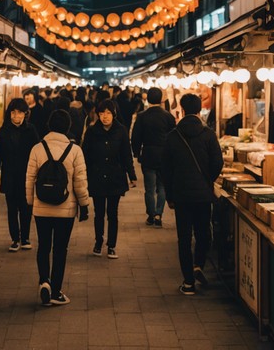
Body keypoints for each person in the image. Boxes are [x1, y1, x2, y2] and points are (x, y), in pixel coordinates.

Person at [25, 109, 90, 307]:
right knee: (60, 249)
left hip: (42, 207)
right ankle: (56, 291)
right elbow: (80, 181)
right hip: (66, 207)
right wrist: (84, 205)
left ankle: (44, 280)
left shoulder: (37, 148)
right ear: (68, 128)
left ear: (49, 126)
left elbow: (29, 179)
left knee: (44, 245)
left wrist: (31, 202)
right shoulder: (75, 150)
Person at [161, 92, 223, 295]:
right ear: (198, 110)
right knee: (203, 232)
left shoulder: (172, 136)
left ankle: (188, 282)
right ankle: (199, 264)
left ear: (182, 109)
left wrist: (169, 195)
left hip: (181, 195)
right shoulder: (208, 134)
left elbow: (166, 170)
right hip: (203, 195)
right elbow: (217, 163)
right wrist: (208, 180)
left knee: (184, 237)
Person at [81, 98, 136, 259]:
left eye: (108, 113)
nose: (105, 116)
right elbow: (85, 154)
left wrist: (132, 175)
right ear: (97, 114)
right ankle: (98, 242)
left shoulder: (121, 131)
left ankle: (111, 245)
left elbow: (126, 154)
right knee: (98, 213)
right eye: (101, 113)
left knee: (113, 213)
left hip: (115, 177)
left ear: (114, 114)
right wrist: (83, 175)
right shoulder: (91, 131)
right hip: (96, 176)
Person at [0, 98, 39, 252]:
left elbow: (37, 154)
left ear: (26, 114)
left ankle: (25, 237)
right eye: (13, 112)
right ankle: (15, 239)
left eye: (19, 112)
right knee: (12, 209)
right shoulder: (3, 131)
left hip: (27, 176)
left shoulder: (31, 130)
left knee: (26, 208)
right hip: (9, 175)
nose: (16, 116)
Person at [131, 86, 176, 227]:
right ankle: (158, 214)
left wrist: (136, 152)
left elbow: (136, 136)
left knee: (149, 189)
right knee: (162, 187)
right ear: (161, 99)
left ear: (148, 99)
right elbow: (173, 136)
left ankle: (151, 215)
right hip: (164, 156)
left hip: (148, 154)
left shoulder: (142, 116)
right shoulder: (168, 116)